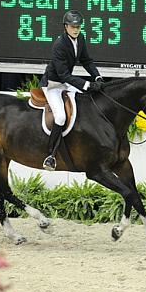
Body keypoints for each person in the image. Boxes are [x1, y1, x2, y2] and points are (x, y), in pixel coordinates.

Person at [40, 10, 104, 171]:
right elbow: (64, 75)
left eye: (78, 26)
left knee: (87, 101)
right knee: (60, 117)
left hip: (66, 82)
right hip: (53, 84)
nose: (76, 29)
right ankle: (50, 156)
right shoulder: (59, 45)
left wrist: (97, 77)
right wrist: (87, 85)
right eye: (73, 26)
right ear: (66, 27)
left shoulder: (80, 39)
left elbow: (87, 61)